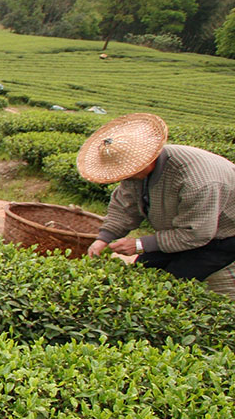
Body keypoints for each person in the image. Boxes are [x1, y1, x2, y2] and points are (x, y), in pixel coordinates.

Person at [79, 112, 235, 296]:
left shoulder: (197, 182)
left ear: (147, 159)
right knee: (143, 270)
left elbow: (197, 233)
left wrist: (139, 244)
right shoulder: (136, 172)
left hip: (220, 236)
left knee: (174, 282)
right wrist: (103, 238)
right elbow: (124, 206)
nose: (125, 177)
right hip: (179, 229)